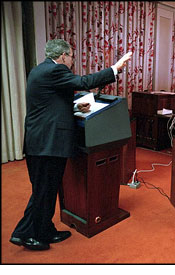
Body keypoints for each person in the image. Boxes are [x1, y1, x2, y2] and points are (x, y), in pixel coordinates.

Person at [9, 39, 132, 251]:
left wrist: (75, 105)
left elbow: (51, 100)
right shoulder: (54, 71)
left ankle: (45, 229)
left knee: (46, 190)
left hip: (41, 141)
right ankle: (25, 234)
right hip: (46, 144)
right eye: (72, 57)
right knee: (43, 191)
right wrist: (115, 68)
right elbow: (84, 82)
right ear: (63, 56)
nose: (72, 61)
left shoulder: (41, 70)